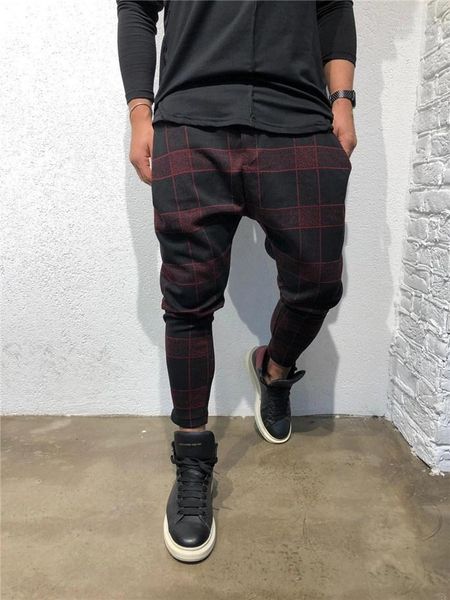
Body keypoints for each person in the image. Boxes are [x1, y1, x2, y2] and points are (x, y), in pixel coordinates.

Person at [116, 0, 357, 563]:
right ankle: (192, 458)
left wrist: (343, 99)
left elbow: (333, 7)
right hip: (192, 119)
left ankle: (274, 369)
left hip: (298, 117)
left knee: (319, 281)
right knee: (188, 300)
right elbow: (137, 9)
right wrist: (139, 112)